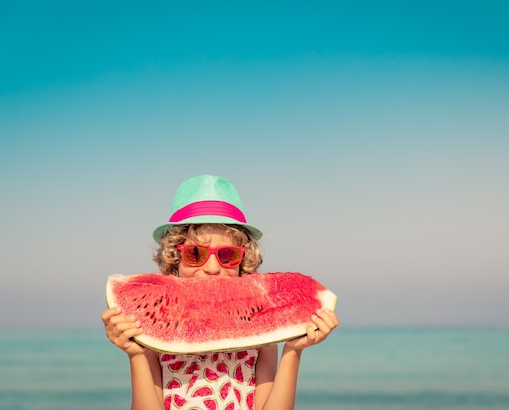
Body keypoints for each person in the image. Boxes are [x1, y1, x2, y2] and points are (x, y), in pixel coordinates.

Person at [101, 174, 339, 410]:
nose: (212, 269)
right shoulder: (152, 332)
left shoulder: (260, 331)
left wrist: (293, 350)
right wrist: (136, 354)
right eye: (196, 254)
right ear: (175, 257)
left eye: (227, 255)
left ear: (243, 259)